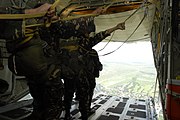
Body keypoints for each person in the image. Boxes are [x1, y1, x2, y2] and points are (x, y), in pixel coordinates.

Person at [0, 1, 65, 120]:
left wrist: (56, 19)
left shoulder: (51, 26)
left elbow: (65, 32)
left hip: (48, 72)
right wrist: (33, 13)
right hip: (37, 73)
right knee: (40, 103)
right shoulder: (30, 26)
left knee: (50, 108)